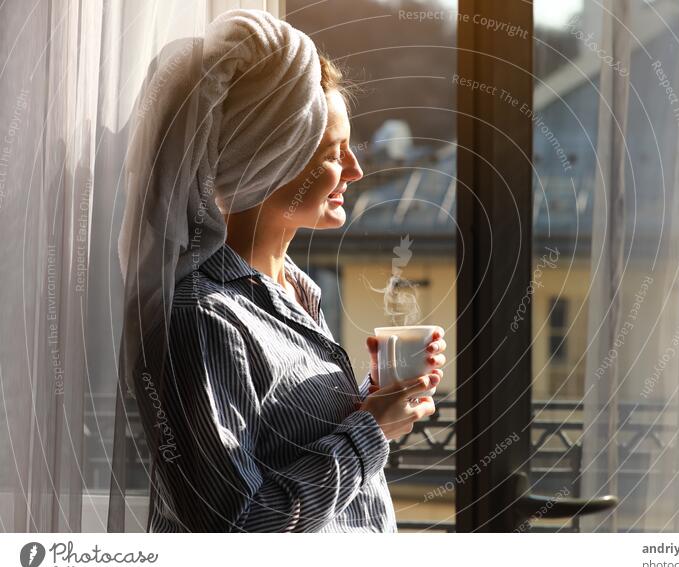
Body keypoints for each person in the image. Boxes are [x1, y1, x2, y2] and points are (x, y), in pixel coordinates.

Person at [115, 8, 445, 533]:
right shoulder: (204, 317)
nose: (357, 170)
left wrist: (373, 403)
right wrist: (370, 432)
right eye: (335, 152)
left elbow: (285, 448)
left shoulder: (296, 294)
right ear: (271, 161)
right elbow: (236, 530)